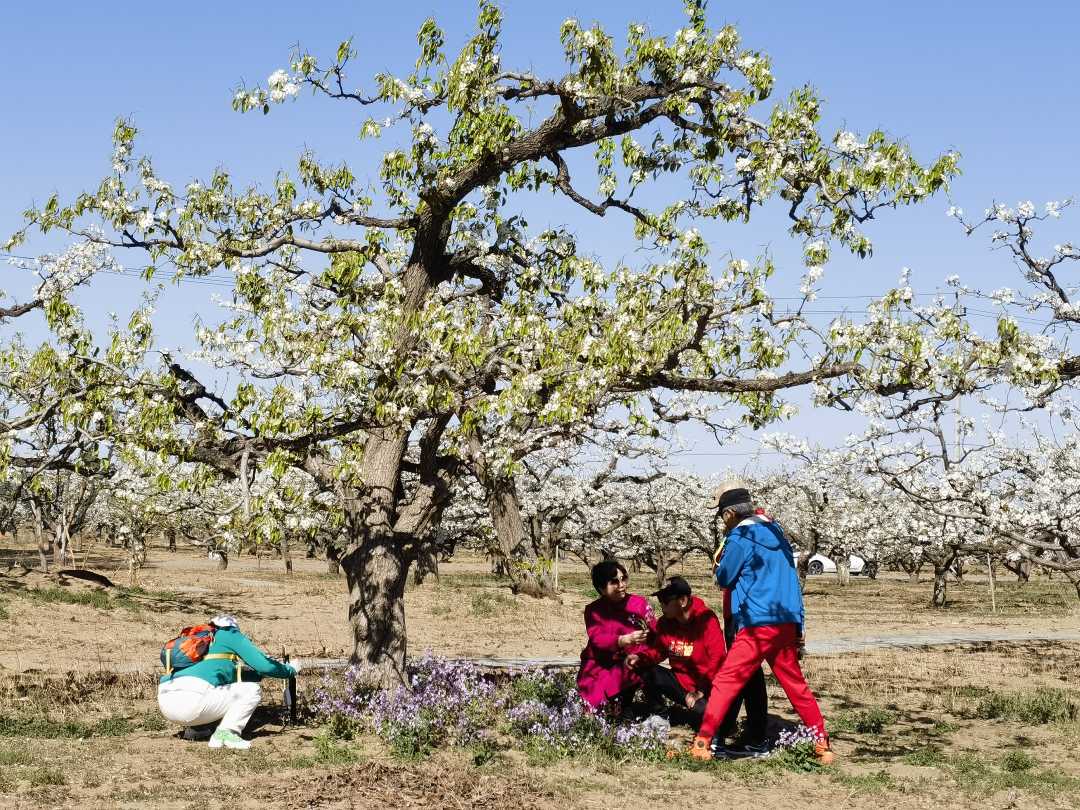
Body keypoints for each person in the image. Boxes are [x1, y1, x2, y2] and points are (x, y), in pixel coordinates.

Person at [689, 481, 834, 764]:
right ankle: (822, 743)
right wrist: (799, 625)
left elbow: (724, 578)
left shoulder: (741, 538)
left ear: (729, 514)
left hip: (757, 622)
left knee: (726, 681)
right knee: (795, 685)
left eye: (721, 515)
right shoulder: (776, 532)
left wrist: (720, 559)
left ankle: (703, 742)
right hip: (785, 620)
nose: (722, 521)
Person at [627, 577, 769, 755]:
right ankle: (660, 714)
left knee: (706, 715)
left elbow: (717, 659)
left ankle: (720, 729)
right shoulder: (665, 623)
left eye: (665, 601)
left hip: (704, 686)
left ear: (683, 601)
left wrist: (701, 689)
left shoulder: (706, 620)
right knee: (647, 670)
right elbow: (658, 651)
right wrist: (640, 658)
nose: (661, 606)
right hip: (679, 682)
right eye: (660, 600)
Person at [157, 614, 300, 750]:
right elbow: (265, 665)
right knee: (251, 690)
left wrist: (258, 675)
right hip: (194, 702)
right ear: (233, 626)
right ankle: (227, 734)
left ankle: (197, 729)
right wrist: (290, 670)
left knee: (219, 690)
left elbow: (226, 678)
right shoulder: (230, 634)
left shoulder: (198, 640)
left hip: (166, 701)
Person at [577, 560, 656, 710]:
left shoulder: (640, 604)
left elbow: (656, 631)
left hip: (632, 661)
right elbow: (597, 639)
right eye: (614, 582)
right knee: (593, 704)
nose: (621, 585)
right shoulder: (593, 610)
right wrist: (622, 640)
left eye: (623, 578)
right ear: (601, 588)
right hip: (600, 662)